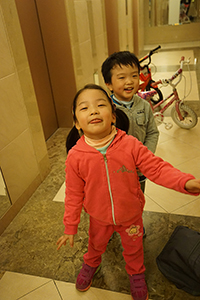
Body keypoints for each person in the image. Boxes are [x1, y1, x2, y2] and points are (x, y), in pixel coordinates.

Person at [57, 84, 200, 300]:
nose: (94, 111)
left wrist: (185, 182)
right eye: (84, 108)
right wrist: (70, 226)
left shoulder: (130, 145)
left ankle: (136, 273)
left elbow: (157, 168)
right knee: (95, 245)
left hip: (131, 216)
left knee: (134, 249)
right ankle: (91, 263)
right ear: (77, 122)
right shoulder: (76, 156)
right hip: (98, 217)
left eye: (101, 105)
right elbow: (73, 194)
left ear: (113, 116)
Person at [101, 51, 159, 194]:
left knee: (138, 199)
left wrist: (145, 156)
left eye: (134, 76)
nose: (130, 81)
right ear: (109, 84)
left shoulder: (144, 106)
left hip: (139, 170)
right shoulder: (106, 110)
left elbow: (152, 132)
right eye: (122, 77)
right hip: (115, 172)